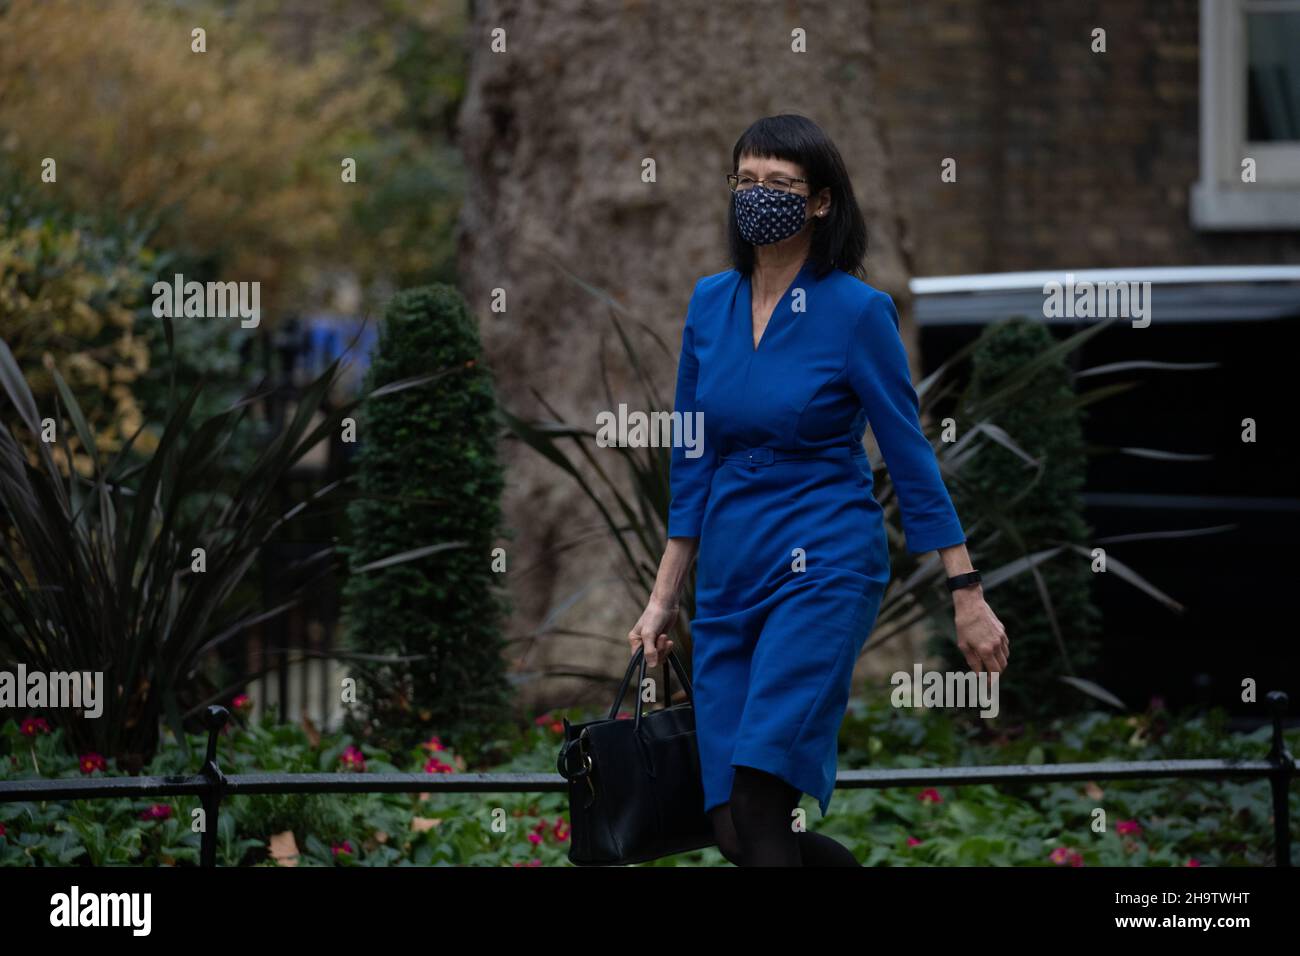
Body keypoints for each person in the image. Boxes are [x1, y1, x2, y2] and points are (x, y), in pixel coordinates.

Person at [627, 114, 1010, 867]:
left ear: (822, 202)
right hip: (732, 573)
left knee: (761, 800)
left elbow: (909, 456)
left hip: (823, 565)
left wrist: (966, 590)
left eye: (780, 184)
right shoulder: (710, 302)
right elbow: (695, 456)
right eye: (746, 181)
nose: (758, 196)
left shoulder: (856, 311)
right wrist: (662, 599)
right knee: (734, 831)